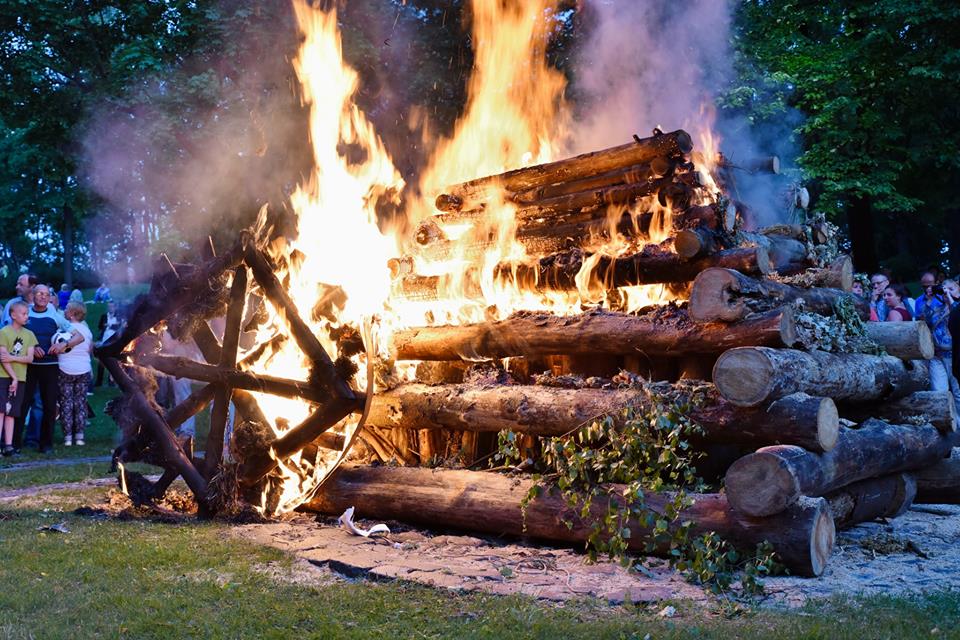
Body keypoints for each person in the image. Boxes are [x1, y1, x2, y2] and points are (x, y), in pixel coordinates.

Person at [15, 285, 82, 453]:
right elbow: (14, 335)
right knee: (22, 405)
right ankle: (14, 444)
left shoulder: (55, 315)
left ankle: (46, 445)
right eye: (40, 293)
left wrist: (63, 344)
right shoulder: (25, 313)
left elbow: (79, 337)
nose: (43, 297)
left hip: (50, 366)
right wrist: (31, 347)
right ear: (33, 295)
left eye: (47, 294)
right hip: (28, 365)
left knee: (49, 405)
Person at [0, 301, 37, 456]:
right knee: (1, 410)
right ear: (13, 315)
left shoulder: (29, 335)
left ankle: (9, 446)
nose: (26, 316)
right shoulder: (3, 332)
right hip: (3, 377)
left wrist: (12, 357)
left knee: (12, 412)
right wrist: (13, 377)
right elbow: (3, 358)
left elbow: (30, 358)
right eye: (23, 313)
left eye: (27, 313)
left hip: (21, 378)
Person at [57, 302, 92, 446]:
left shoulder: (64, 330)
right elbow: (89, 349)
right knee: (80, 403)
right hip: (83, 369)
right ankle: (80, 436)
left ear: (71, 313)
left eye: (66, 309)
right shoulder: (86, 330)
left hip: (65, 369)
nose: (64, 311)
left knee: (66, 403)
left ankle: (67, 437)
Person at [95, 301, 123, 386]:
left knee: (113, 362)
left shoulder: (118, 316)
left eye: (112, 307)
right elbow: (100, 326)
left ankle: (111, 381)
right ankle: (98, 382)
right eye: (109, 307)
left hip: (114, 342)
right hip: (104, 341)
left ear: (115, 307)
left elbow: (120, 327)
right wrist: (106, 325)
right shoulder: (104, 316)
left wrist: (110, 325)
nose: (110, 308)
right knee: (101, 362)